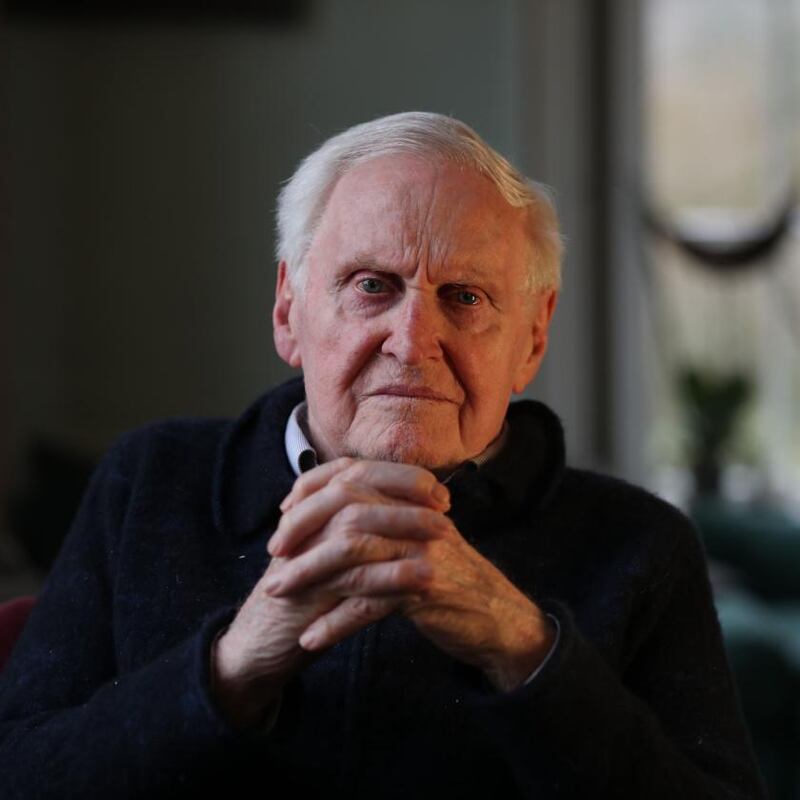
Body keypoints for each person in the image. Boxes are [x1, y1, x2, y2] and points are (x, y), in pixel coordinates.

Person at [0, 112, 764, 799]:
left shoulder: (641, 545)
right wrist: (234, 666)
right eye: (372, 285)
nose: (412, 342)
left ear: (532, 337)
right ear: (288, 310)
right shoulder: (149, 482)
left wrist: (525, 649)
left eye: (464, 297)